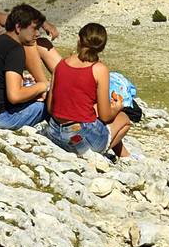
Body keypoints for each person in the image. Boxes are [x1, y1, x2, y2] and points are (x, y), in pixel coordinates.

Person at [44, 23, 133, 158]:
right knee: (123, 119)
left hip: (54, 132)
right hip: (78, 138)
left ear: (79, 39)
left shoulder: (62, 63)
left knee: (95, 117)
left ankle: (126, 156)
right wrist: (117, 108)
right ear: (102, 47)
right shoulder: (99, 69)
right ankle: (96, 154)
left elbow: (51, 108)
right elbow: (105, 116)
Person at [0, 4, 51, 129]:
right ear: (18, 27)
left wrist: (24, 84)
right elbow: (15, 96)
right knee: (50, 102)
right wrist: (42, 86)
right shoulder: (15, 49)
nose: (38, 34)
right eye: (34, 29)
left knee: (31, 90)